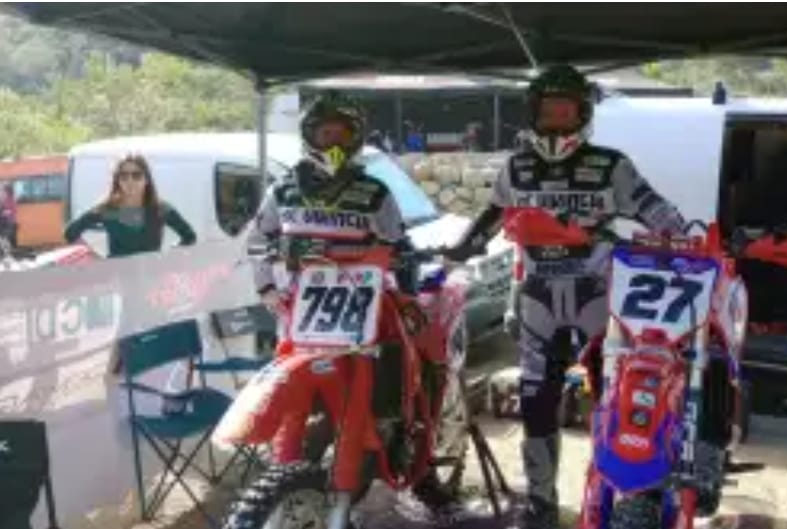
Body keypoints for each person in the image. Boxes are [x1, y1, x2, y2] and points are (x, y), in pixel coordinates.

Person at [443, 64, 685, 529]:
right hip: (538, 300)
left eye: (564, 112)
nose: (555, 122)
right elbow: (490, 218)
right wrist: (458, 250)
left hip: (601, 297)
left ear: (583, 114)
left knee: (615, 399)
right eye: (547, 112)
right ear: (532, 114)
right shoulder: (517, 167)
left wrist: (681, 235)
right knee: (536, 404)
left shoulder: (611, 165)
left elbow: (655, 209)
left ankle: (618, 495)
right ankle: (541, 503)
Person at [246, 89, 409, 463]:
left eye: (342, 134)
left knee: (396, 356)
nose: (333, 142)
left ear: (355, 138)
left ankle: (396, 431)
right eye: (325, 134)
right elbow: (257, 241)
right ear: (310, 136)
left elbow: (400, 246)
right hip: (299, 309)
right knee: (291, 387)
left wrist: (403, 286)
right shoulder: (283, 190)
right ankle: (285, 461)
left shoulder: (375, 192)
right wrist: (266, 288)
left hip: (363, 305)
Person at [64, 153, 196, 257]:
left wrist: (168, 256)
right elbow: (70, 233)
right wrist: (95, 257)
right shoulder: (108, 210)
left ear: (146, 179)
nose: (130, 181)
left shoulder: (160, 209)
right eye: (124, 176)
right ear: (117, 180)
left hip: (151, 278)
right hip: (117, 278)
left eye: (136, 175)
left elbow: (189, 237)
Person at [0, 184, 17, 248]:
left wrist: (5, 212)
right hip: (3, 220)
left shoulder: (11, 200)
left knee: (6, 237)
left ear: (8, 192)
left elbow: (14, 210)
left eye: (4, 191)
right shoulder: (3, 199)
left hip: (8, 221)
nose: (2, 192)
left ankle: (6, 248)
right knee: (3, 237)